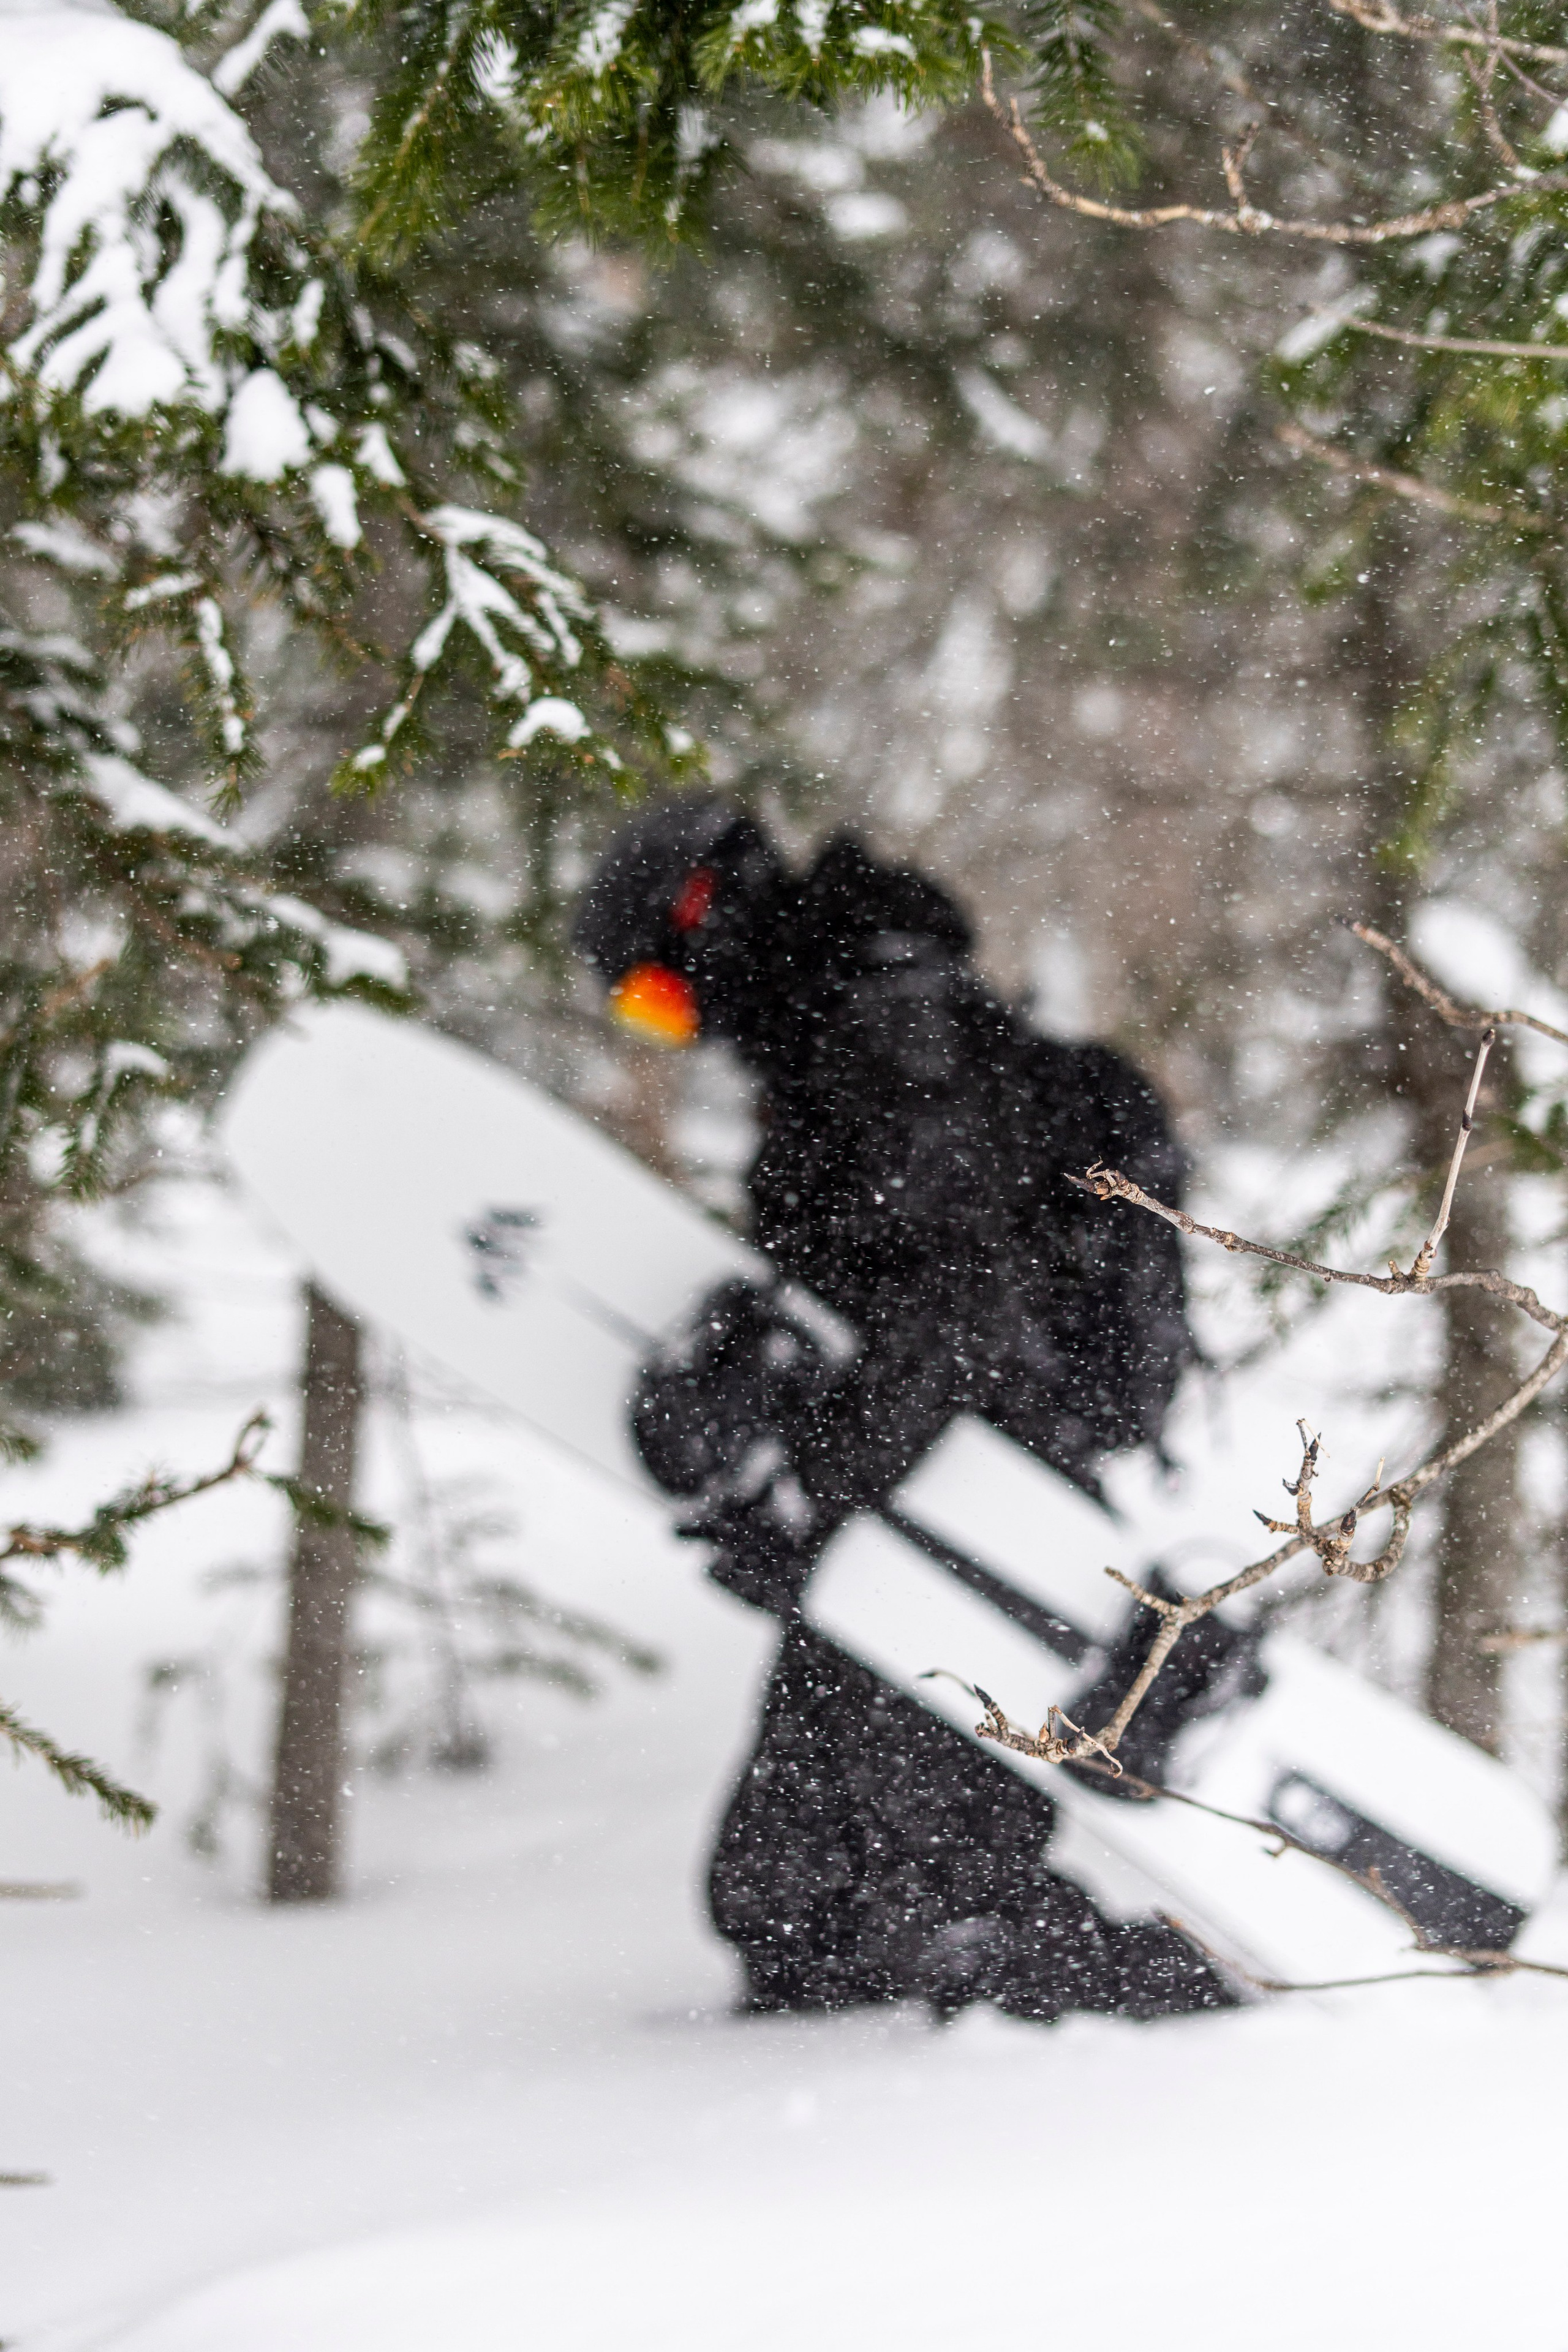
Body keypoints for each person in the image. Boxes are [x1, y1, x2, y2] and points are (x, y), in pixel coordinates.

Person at [575, 797, 1246, 2021]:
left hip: (978, 1509)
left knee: (935, 1899)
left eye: (656, 998)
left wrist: (812, 1483)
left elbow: (961, 1311)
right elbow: (882, 1304)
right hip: (914, 1496)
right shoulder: (841, 1023)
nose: (674, 1033)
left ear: (701, 925)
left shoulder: (878, 1028)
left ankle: (1169, 2050)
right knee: (782, 1896)